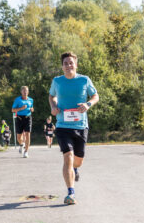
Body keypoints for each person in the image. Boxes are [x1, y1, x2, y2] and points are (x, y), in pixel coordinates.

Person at [49, 52, 99, 205]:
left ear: (76, 65)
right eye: (66, 63)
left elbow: (95, 96)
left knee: (78, 161)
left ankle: (75, 170)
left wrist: (87, 104)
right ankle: (71, 193)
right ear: (62, 66)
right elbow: (52, 96)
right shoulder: (57, 81)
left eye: (71, 63)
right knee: (68, 157)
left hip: (81, 126)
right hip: (63, 125)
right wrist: (53, 106)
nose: (69, 65)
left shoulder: (84, 80)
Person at [12, 86, 34, 158]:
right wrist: (21, 108)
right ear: (21, 92)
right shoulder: (17, 100)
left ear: (28, 92)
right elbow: (13, 110)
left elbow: (32, 108)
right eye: (24, 91)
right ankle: (22, 144)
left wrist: (32, 109)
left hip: (28, 118)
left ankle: (26, 151)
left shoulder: (31, 100)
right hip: (19, 118)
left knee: (28, 134)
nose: (25, 92)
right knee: (19, 137)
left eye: (26, 91)